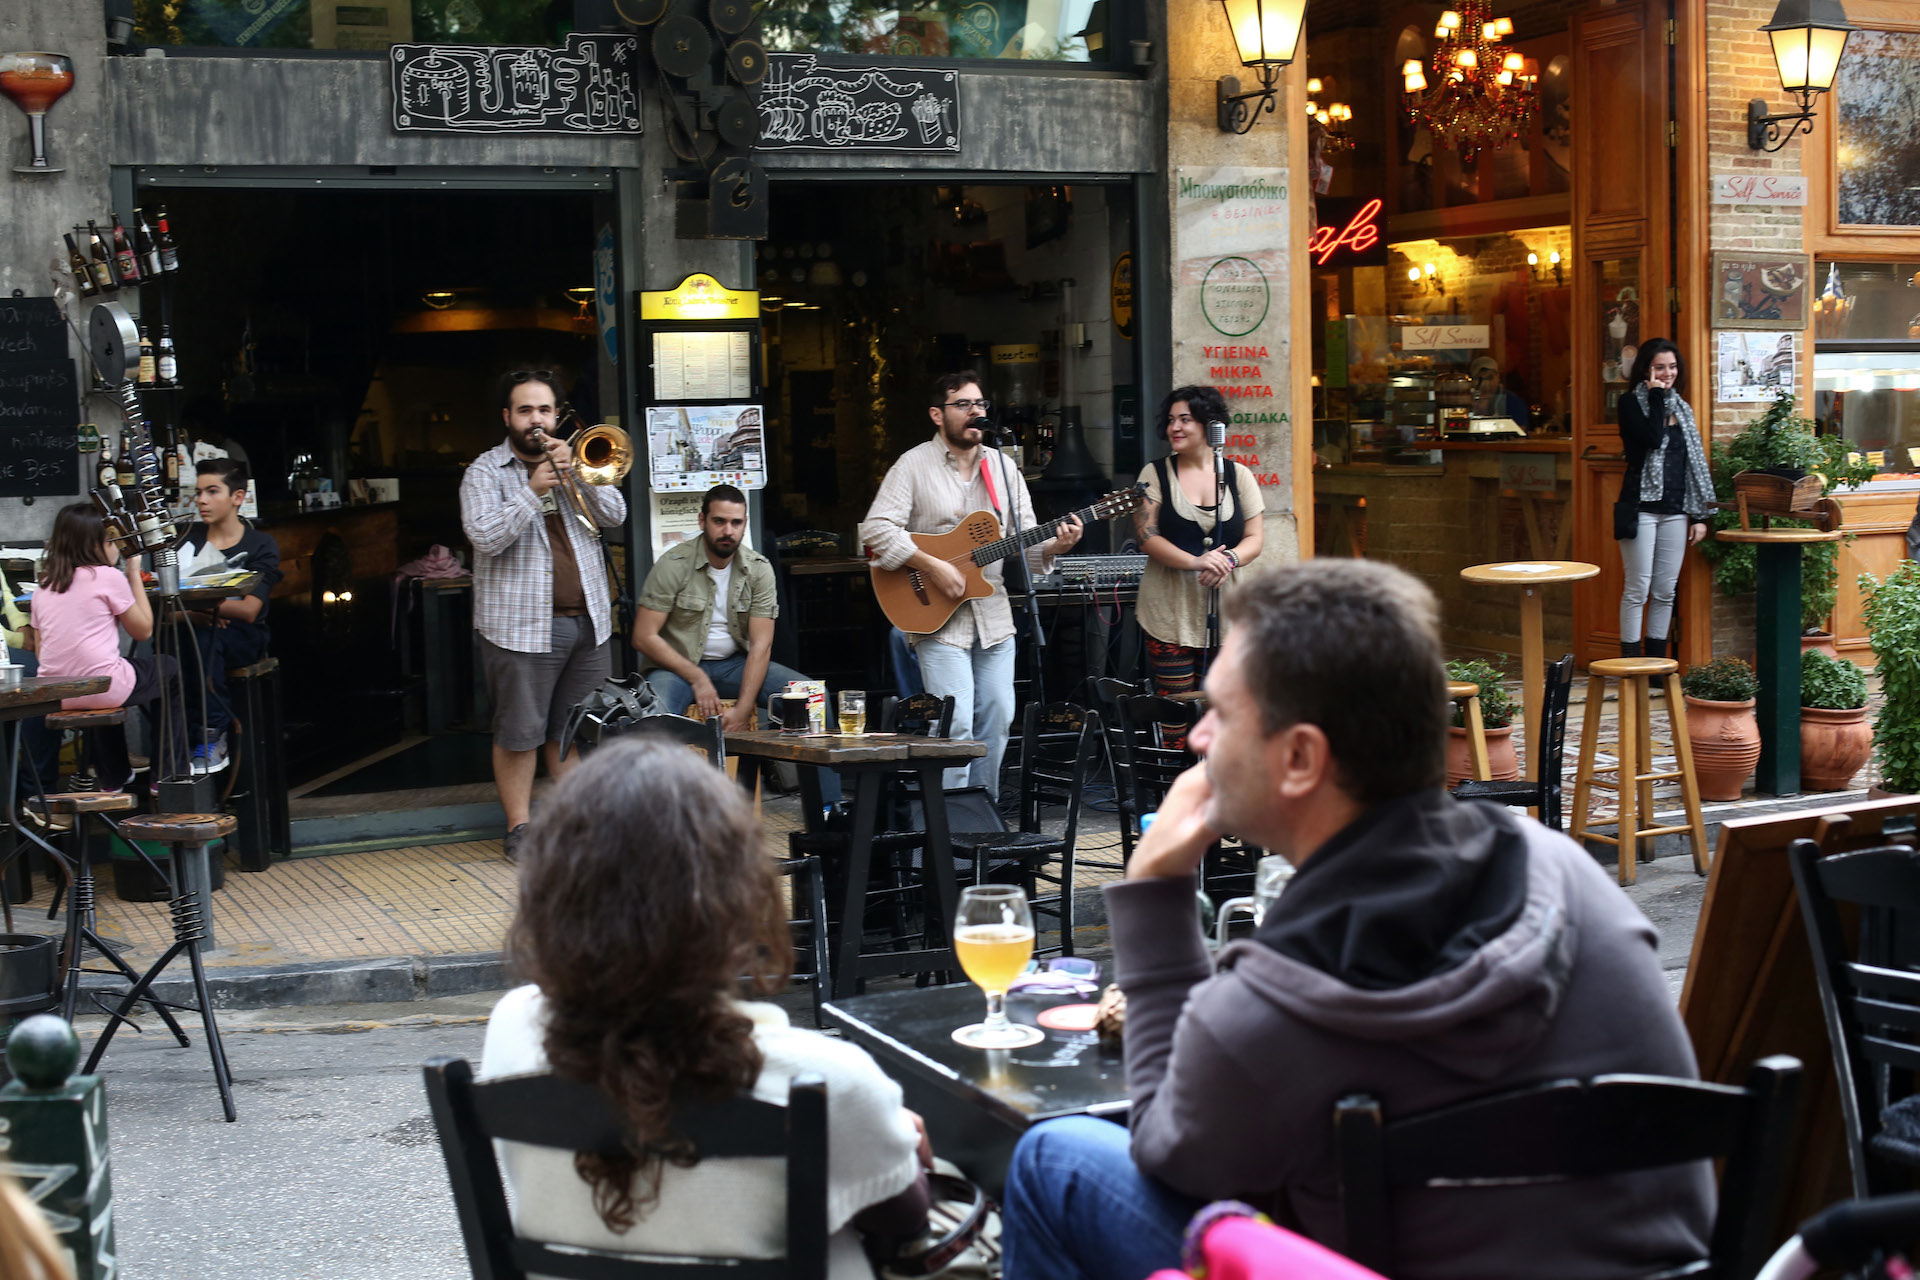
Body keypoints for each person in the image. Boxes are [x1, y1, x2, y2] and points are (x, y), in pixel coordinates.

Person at [1000, 559, 1714, 1280]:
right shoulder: (1566, 874)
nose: (1198, 738)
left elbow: (1169, 1151)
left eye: (1220, 713)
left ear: (1300, 757)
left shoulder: (1267, 1011)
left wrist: (1156, 890)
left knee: (1053, 1158)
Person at [480, 738, 931, 1280]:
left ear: (551, 893)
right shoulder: (828, 1078)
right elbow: (907, 1220)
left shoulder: (512, 1025)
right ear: (734, 901)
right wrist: (902, 1140)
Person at [860, 371, 1082, 797]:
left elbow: (1026, 542)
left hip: (992, 615)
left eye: (980, 404)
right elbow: (876, 530)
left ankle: (983, 816)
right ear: (937, 414)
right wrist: (932, 565)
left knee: (998, 717)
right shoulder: (913, 465)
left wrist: (1057, 546)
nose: (975, 411)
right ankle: (948, 823)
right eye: (963, 404)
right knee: (955, 722)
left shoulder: (1003, 467)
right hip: (938, 619)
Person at [460, 369, 627, 862]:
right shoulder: (484, 473)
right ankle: (520, 827)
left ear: (557, 415)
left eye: (545, 409)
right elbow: (485, 537)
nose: (536, 420)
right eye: (526, 410)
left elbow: (615, 515)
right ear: (507, 417)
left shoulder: (574, 460)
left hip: (588, 622)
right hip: (519, 628)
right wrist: (531, 490)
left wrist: (575, 473)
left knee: (573, 732)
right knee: (519, 735)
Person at [631, 484, 840, 804]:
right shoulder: (674, 563)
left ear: (745, 524)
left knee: (815, 698)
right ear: (702, 520)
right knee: (656, 717)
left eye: (736, 522)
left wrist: (744, 708)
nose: (727, 531)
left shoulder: (758, 568)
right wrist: (696, 677)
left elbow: (761, 646)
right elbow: (643, 636)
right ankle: (657, 813)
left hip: (734, 664)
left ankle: (827, 809)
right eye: (719, 521)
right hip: (677, 666)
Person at [1132, 386, 1263, 739]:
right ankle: (1176, 773)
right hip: (1168, 612)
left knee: (1224, 712)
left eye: (1185, 419)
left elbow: (1255, 539)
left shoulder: (1238, 475)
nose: (1175, 427)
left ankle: (1217, 774)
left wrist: (1229, 559)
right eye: (1170, 420)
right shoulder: (1154, 473)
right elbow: (1147, 537)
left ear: (1210, 425)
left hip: (1228, 616)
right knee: (1175, 712)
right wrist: (1196, 562)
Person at [29, 503, 187, 787]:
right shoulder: (107, 576)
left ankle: (114, 776)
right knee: (168, 668)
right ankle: (166, 775)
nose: (118, 548)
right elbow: (143, 631)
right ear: (95, 545)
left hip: (57, 694)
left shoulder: (43, 586)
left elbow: (43, 653)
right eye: (113, 541)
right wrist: (133, 572)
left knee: (101, 676)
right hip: (103, 687)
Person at [176, 458, 281, 774]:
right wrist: (194, 614)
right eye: (198, 492)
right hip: (190, 628)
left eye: (212, 491)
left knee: (205, 637)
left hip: (241, 637)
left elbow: (249, 610)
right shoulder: (187, 540)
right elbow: (165, 607)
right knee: (173, 639)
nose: (202, 500)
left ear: (237, 497)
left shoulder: (260, 544)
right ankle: (172, 743)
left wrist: (204, 610)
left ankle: (212, 732)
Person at [1617, 338, 1712, 659]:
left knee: (1664, 591)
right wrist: (1656, 395)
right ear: (1646, 370)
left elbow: (1692, 464)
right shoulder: (1630, 403)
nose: (1667, 373)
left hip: (1676, 510)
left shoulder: (1683, 409)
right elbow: (1653, 439)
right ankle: (1632, 666)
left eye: (1672, 367)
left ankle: (1657, 669)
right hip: (1640, 509)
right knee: (1637, 589)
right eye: (1659, 367)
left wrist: (1699, 516)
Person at [1469, 356, 1530, 428]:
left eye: (1490, 377)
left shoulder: (1512, 402)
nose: (1486, 383)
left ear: (1498, 377)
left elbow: (1520, 431)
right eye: (1480, 379)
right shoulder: (1466, 401)